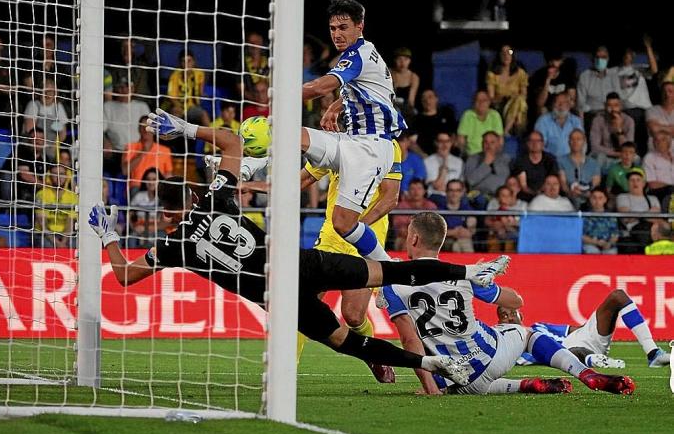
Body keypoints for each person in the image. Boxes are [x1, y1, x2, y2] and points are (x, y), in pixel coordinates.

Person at [91, 109, 511, 382]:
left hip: (282, 296)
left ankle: (431, 364)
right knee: (393, 273)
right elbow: (233, 142)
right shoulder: (217, 196)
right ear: (191, 197)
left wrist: (110, 238)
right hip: (303, 264)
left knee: (346, 339)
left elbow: (125, 276)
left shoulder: (174, 246)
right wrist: (185, 129)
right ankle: (471, 272)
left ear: (164, 217)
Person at [379, 212, 635, 395]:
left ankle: (522, 385)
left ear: (413, 239)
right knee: (526, 335)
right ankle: (582, 373)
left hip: (453, 378)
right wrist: (486, 280)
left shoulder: (394, 282)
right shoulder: (464, 273)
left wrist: (430, 390)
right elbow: (517, 301)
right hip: (489, 358)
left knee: (464, 380)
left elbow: (409, 341)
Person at [300, 0, 407, 262]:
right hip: (354, 144)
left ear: (360, 26)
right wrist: (337, 106)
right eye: (333, 28)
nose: (337, 34)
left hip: (371, 151)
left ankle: (389, 277)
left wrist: (278, 97)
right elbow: (376, 93)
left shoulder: (356, 56)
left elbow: (319, 87)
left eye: (343, 27)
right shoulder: (369, 54)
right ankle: (249, 166)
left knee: (344, 226)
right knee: (295, 137)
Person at [298, 138, 402, 382]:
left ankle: (374, 355)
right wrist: (259, 185)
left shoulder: (389, 146)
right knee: (302, 302)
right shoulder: (336, 144)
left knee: (353, 316)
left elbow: (390, 198)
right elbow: (303, 179)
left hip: (365, 242)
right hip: (330, 240)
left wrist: (355, 230)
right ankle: (283, 373)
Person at [501, 289, 670, 369]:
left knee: (618, 296)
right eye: (504, 315)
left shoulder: (540, 327)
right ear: (500, 321)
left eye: (512, 312)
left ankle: (653, 353)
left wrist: (600, 322)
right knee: (569, 350)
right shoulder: (509, 343)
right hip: (565, 354)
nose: (509, 317)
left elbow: (576, 331)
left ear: (521, 315)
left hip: (582, 339)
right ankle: (593, 360)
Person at [616, 167, 663, 254]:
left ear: (644, 183)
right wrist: (648, 213)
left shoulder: (653, 199)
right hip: (632, 235)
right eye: (632, 180)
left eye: (638, 180)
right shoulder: (622, 197)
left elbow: (657, 219)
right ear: (627, 183)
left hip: (652, 233)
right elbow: (626, 218)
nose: (635, 183)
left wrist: (638, 216)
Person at [486, 44, 529, 137]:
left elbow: (524, 95)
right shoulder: (492, 75)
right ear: (499, 56)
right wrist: (505, 97)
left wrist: (514, 98)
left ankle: (507, 130)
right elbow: (491, 98)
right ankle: (511, 131)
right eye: (503, 53)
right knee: (518, 102)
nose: (506, 55)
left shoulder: (520, 73)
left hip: (518, 105)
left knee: (519, 100)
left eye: (509, 52)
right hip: (500, 105)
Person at [122, 115, 173, 192]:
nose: (145, 129)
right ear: (139, 129)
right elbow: (125, 171)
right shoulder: (130, 147)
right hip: (137, 188)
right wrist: (142, 153)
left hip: (157, 188)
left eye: (149, 127)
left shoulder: (165, 150)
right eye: (143, 126)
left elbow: (168, 175)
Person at [527, 49, 575, 128]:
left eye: (556, 60)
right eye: (550, 60)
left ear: (561, 61)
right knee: (542, 111)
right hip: (547, 108)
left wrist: (561, 105)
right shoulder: (538, 75)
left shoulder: (567, 75)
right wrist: (548, 80)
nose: (553, 63)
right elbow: (539, 103)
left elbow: (572, 99)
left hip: (562, 107)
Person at [34, 163, 78, 248]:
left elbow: (70, 222)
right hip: (45, 235)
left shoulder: (72, 196)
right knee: (46, 245)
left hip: (65, 235)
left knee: (76, 244)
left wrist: (63, 242)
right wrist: (57, 243)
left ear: (66, 176)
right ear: (49, 176)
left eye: (62, 174)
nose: (59, 177)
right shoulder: (41, 194)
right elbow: (42, 223)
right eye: (55, 174)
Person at [103, 77, 152, 154]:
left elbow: (149, 130)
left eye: (127, 87)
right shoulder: (108, 106)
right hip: (115, 151)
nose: (124, 90)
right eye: (121, 87)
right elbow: (102, 130)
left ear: (132, 89)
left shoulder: (142, 106)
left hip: (138, 150)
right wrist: (105, 142)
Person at [589, 92, 635, 169]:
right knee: (596, 157)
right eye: (609, 106)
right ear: (605, 106)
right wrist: (615, 153)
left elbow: (629, 148)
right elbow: (594, 147)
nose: (613, 109)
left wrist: (619, 130)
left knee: (636, 159)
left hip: (623, 157)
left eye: (616, 105)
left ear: (620, 106)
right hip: (605, 156)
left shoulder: (629, 121)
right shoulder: (598, 120)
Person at [558, 129, 601, 209]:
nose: (575, 142)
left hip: (589, 200)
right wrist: (570, 192)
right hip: (568, 199)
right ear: (568, 142)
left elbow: (596, 183)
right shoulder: (561, 161)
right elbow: (563, 183)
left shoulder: (593, 163)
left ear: (584, 141)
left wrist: (585, 193)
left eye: (578, 139)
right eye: (572, 139)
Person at [430, 179, 476, 253]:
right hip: (445, 241)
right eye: (451, 190)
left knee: (463, 244)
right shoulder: (438, 209)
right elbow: (435, 232)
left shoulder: (468, 209)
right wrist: (453, 232)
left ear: (462, 192)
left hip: (463, 240)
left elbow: (471, 230)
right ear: (446, 192)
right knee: (457, 246)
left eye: (457, 190)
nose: (454, 194)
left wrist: (467, 232)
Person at [165, 49, 209, 125]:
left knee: (203, 114)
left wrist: (203, 95)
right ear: (180, 63)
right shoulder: (175, 75)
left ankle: (211, 135)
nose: (186, 64)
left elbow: (201, 92)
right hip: (179, 106)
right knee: (175, 114)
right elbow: (172, 97)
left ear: (194, 62)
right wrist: (180, 108)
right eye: (183, 61)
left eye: (189, 61)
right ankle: (176, 136)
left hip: (193, 107)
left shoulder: (200, 73)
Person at [512, 131, 559, 202]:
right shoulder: (521, 160)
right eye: (531, 141)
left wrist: (540, 193)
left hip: (546, 195)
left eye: (538, 141)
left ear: (543, 144)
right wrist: (535, 194)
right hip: (525, 196)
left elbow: (551, 180)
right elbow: (523, 186)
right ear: (527, 143)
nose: (535, 143)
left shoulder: (550, 159)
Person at [534, 91, 584, 158]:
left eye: (564, 103)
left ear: (569, 106)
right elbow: (538, 146)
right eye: (558, 102)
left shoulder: (576, 121)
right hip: (549, 162)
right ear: (553, 105)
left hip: (571, 162)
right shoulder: (543, 121)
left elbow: (582, 144)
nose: (561, 105)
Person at [393, 179, 438, 251]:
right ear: (408, 191)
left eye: (419, 188)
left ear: (424, 191)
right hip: (405, 237)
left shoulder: (431, 206)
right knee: (405, 243)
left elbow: (433, 229)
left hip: (427, 239)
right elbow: (402, 230)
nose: (416, 192)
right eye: (412, 189)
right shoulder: (402, 206)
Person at [457, 90, 504, 157]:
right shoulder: (467, 115)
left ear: (489, 102)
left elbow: (500, 140)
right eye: (478, 100)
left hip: (491, 154)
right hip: (472, 155)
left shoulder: (495, 115)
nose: (481, 103)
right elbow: (461, 140)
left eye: (484, 100)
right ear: (474, 103)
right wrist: (465, 156)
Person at [463, 131, 511, 197]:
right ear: (482, 144)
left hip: (500, 196)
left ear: (498, 144)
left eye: (492, 142)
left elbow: (505, 180)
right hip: (478, 196)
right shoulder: (472, 159)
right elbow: (470, 181)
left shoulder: (506, 159)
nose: (488, 145)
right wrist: (486, 163)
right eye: (485, 142)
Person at [577, 45, 620, 120]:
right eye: (597, 57)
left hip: (611, 113)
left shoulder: (613, 75)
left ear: (608, 59)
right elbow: (581, 103)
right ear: (593, 59)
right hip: (592, 114)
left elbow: (618, 98)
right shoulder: (584, 76)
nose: (600, 60)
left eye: (603, 57)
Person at [411, 89, 457, 156]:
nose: (427, 100)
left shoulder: (446, 115)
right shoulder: (416, 120)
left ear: (436, 99)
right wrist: (423, 156)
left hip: (447, 155)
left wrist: (447, 152)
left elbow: (453, 136)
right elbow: (412, 142)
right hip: (426, 157)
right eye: (424, 98)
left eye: (430, 97)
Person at [424, 132, 464, 197]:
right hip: (436, 195)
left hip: (455, 197)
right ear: (436, 143)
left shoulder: (459, 162)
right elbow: (437, 186)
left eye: (447, 141)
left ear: (451, 143)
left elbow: (461, 186)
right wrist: (445, 161)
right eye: (441, 141)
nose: (444, 145)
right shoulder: (427, 161)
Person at [484, 185, 521, 253]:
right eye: (503, 195)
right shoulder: (499, 210)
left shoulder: (514, 211)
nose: (506, 198)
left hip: (510, 236)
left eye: (508, 195)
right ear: (498, 198)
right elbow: (488, 221)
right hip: (498, 236)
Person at [582, 187, 619, 254]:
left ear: (605, 199)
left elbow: (615, 234)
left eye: (600, 198)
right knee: (592, 252)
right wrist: (597, 242)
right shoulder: (585, 216)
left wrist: (609, 244)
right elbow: (582, 236)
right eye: (594, 198)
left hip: (608, 246)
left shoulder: (611, 216)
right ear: (590, 199)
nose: (597, 201)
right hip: (591, 245)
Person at [643, 130, 674, 203]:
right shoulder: (649, 158)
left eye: (663, 140)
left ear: (669, 142)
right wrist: (671, 186)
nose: (659, 142)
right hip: (659, 192)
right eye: (656, 140)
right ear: (653, 142)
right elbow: (651, 184)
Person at [390, 47, 420, 121]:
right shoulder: (389, 73)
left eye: (405, 60)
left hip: (405, 107)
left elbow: (411, 100)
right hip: (390, 105)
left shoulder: (413, 77)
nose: (402, 63)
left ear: (409, 61)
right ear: (395, 60)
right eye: (399, 59)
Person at [645, 81, 674, 154]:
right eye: (664, 91)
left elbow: (657, 128)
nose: (667, 94)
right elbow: (654, 129)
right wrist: (671, 129)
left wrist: (660, 128)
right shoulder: (651, 110)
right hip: (655, 152)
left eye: (670, 91)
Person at [397, 131, 427, 196]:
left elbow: (419, 179)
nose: (400, 144)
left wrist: (407, 192)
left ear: (408, 142)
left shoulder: (416, 159)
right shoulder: (390, 160)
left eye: (403, 141)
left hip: (411, 195)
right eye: (399, 141)